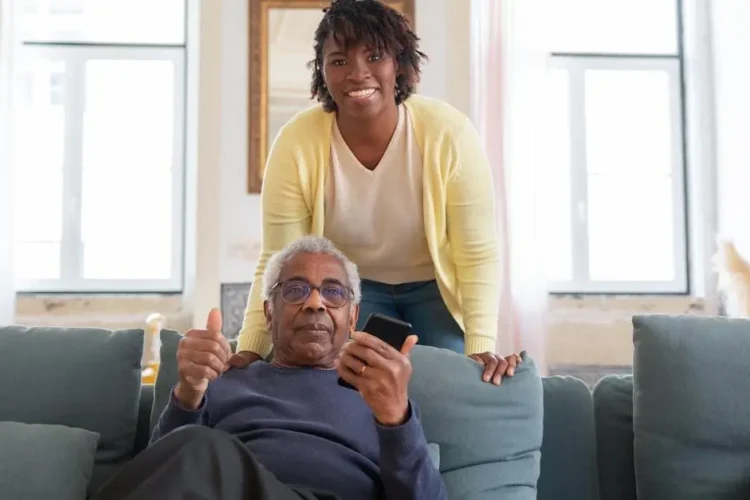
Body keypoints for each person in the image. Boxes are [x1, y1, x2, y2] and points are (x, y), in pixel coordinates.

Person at [232, 0, 520, 385]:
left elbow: (477, 251)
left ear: (399, 64)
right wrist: (250, 346)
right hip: (353, 291)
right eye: (339, 61)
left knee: (451, 387)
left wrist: (480, 343)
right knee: (348, 389)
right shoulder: (296, 143)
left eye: (374, 56)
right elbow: (279, 257)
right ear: (322, 73)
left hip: (435, 289)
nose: (357, 74)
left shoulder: (449, 134)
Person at [92, 236, 447, 500]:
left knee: (202, 448)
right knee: (198, 448)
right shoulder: (225, 380)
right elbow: (161, 477)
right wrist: (188, 393)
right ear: (268, 312)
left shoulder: (381, 395)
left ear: (351, 316)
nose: (314, 303)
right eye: (295, 290)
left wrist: (395, 417)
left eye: (333, 293)